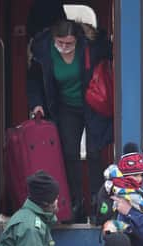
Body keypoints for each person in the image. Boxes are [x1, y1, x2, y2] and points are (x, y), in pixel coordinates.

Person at [27, 19, 113, 222]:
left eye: (69, 43)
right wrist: (36, 103)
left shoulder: (91, 46)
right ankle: (75, 202)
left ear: (78, 39)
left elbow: (115, 53)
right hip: (65, 107)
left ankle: (96, 201)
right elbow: (34, 79)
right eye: (60, 43)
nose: (64, 47)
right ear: (54, 39)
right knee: (69, 154)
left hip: (94, 103)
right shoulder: (43, 49)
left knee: (94, 152)